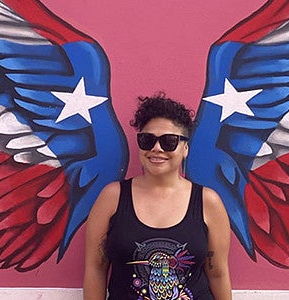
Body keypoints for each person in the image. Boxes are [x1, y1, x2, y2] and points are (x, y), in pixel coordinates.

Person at [83, 93, 232, 300]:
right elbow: (95, 268)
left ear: (185, 148)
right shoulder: (112, 198)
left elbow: (218, 273)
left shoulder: (208, 202)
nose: (156, 148)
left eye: (169, 141)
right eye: (147, 140)